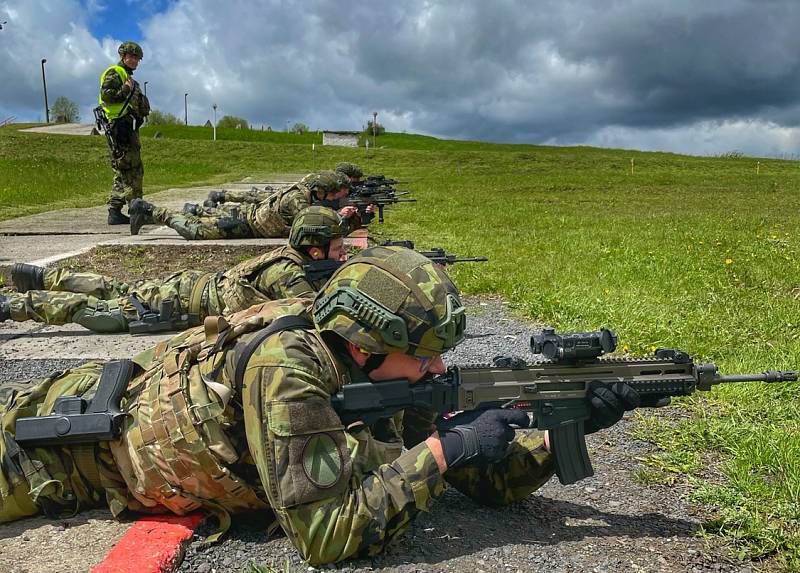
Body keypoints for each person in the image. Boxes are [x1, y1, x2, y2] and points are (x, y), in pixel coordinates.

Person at [0, 245, 645, 565]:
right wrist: (447, 448)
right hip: (52, 450)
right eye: (424, 354)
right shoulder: (290, 374)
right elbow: (325, 536)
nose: (440, 368)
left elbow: (480, 477)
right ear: (368, 345)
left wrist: (568, 425)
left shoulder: (379, 377)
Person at [0, 206, 346, 333]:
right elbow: (317, 317)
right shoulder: (287, 273)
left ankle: (38, 275)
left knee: (117, 290)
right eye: (338, 249)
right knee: (101, 315)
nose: (343, 255)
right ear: (315, 250)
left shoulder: (293, 259)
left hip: (188, 288)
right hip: (179, 301)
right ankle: (12, 305)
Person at [128, 171, 358, 239]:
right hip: (245, 225)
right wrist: (340, 218)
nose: (332, 198)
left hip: (249, 221)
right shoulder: (297, 199)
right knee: (195, 231)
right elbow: (312, 229)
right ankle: (149, 209)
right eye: (331, 194)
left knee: (197, 223)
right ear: (322, 190)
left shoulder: (305, 194)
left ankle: (149, 216)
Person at [100, 41, 150, 225]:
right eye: (132, 56)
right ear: (123, 56)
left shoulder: (128, 76)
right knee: (132, 170)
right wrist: (127, 89)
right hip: (120, 127)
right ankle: (138, 211)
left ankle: (115, 211)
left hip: (127, 127)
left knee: (123, 170)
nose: (135, 60)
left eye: (137, 58)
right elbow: (108, 96)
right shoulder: (116, 73)